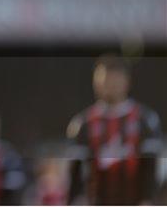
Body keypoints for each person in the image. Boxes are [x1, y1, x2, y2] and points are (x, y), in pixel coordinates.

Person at [66, 54, 163, 205]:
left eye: (115, 80)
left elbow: (151, 166)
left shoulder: (145, 119)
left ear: (127, 81)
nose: (110, 86)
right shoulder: (82, 123)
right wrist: (76, 200)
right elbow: (75, 171)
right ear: (95, 83)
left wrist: (148, 199)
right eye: (104, 81)